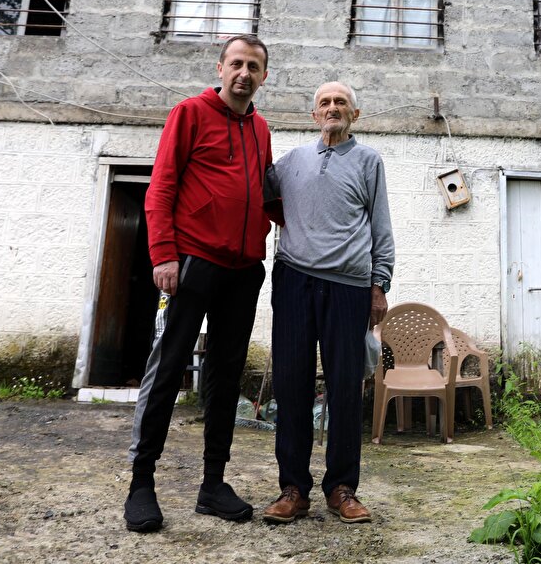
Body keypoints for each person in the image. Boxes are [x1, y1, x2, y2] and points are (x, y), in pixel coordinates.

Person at [123, 34, 273, 533]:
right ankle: (141, 484)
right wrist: (163, 254)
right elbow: (161, 186)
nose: (244, 73)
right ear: (221, 67)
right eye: (236, 64)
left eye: (253, 66)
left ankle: (213, 484)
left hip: (243, 271)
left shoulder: (262, 129)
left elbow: (264, 193)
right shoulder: (189, 113)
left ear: (264, 76)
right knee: (167, 369)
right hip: (191, 264)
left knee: (225, 377)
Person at [261, 81, 393, 525]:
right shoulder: (292, 161)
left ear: (355, 114)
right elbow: (256, 192)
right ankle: (293, 489)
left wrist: (380, 284)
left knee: (344, 390)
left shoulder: (369, 161)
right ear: (314, 115)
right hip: (294, 280)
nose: (332, 108)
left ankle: (341, 488)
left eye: (340, 102)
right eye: (324, 103)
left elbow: (380, 227)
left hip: (349, 287)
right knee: (292, 385)